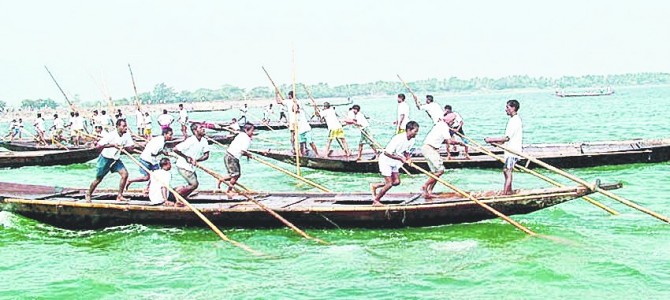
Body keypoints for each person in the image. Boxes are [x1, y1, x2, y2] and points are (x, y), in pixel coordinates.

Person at [85, 119, 136, 202]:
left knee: (125, 174)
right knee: (98, 179)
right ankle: (88, 193)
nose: (125, 128)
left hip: (115, 159)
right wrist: (112, 145)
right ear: (117, 127)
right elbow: (98, 147)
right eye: (123, 126)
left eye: (126, 126)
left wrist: (128, 147)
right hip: (105, 159)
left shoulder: (127, 135)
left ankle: (120, 196)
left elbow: (130, 148)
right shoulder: (111, 135)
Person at [371, 121, 419, 206]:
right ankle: (376, 201)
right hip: (385, 161)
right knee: (389, 184)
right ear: (408, 130)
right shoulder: (398, 138)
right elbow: (387, 153)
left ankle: (376, 185)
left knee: (396, 182)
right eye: (415, 131)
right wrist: (400, 158)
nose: (416, 133)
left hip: (394, 162)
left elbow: (406, 152)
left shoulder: (412, 140)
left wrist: (409, 159)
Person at [485, 99, 523, 195]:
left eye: (507, 107)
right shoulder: (513, 120)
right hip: (510, 150)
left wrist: (491, 139)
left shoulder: (515, 121)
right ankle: (508, 191)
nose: (506, 109)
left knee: (507, 171)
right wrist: (495, 142)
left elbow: (506, 138)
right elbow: (506, 140)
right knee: (506, 171)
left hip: (513, 151)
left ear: (513, 108)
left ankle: (505, 194)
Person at [126, 127, 173, 191]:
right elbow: (153, 153)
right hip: (146, 159)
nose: (171, 136)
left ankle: (148, 188)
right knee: (147, 177)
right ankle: (130, 181)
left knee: (156, 175)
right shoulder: (160, 141)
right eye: (170, 134)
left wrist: (163, 152)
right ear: (165, 134)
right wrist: (162, 152)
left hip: (152, 160)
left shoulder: (160, 139)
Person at [172, 123, 210, 198]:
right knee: (194, 184)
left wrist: (197, 160)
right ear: (195, 131)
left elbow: (206, 155)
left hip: (191, 167)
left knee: (194, 185)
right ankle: (176, 195)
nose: (203, 129)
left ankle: (181, 195)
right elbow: (175, 149)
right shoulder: (190, 141)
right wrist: (186, 157)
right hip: (183, 166)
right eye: (200, 127)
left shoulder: (204, 141)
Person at [420, 116, 453, 198]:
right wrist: (461, 144)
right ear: (449, 120)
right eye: (452, 120)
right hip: (430, 149)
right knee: (440, 170)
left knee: (435, 173)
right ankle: (425, 185)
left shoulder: (439, 124)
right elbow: (448, 141)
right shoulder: (444, 126)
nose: (453, 122)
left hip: (427, 148)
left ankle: (429, 192)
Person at [217, 123, 254, 196]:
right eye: (252, 130)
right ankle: (229, 191)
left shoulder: (241, 135)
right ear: (246, 130)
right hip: (232, 157)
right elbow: (243, 151)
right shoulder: (246, 139)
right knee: (235, 175)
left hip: (229, 155)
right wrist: (248, 155)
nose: (253, 132)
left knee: (235, 175)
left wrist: (247, 154)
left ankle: (222, 179)